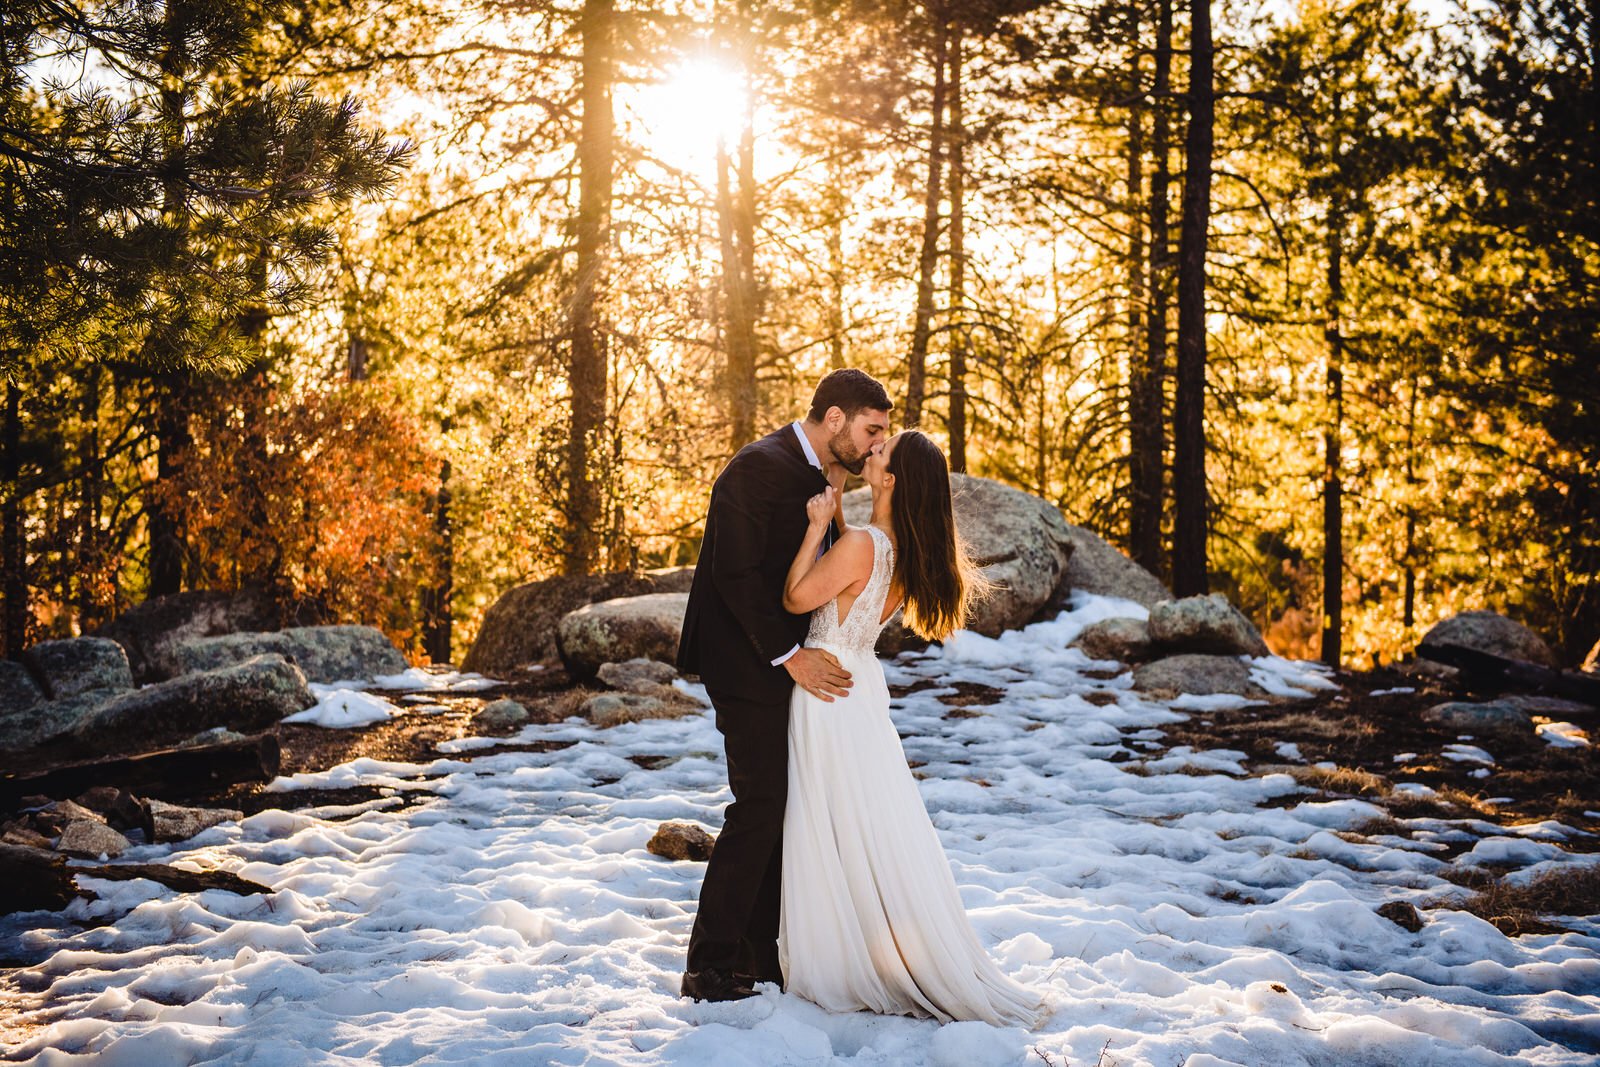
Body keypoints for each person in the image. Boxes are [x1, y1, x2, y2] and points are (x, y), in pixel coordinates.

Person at [777, 428, 1045, 1026]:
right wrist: (841, 513)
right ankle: (879, 940)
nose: (871, 450)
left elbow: (797, 599)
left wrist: (818, 524)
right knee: (861, 818)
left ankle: (842, 956)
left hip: (826, 688)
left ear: (891, 479)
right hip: (860, 684)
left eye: (881, 451)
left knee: (828, 818)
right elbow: (857, 575)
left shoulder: (863, 543)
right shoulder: (897, 546)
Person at [677, 368, 893, 1003]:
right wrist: (791, 655)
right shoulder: (757, 466)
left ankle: (755, 959)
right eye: (871, 430)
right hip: (743, 662)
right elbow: (734, 573)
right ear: (834, 420)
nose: (877, 444)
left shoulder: (817, 477)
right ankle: (709, 966)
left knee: (781, 806)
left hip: (779, 662)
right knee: (759, 806)